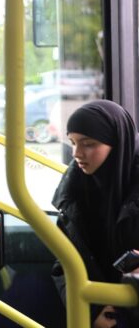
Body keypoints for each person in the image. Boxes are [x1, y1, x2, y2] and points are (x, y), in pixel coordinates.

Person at [51, 100, 139, 328]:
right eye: (72, 143)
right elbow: (63, 262)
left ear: (116, 143)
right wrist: (92, 310)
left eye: (88, 144)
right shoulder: (73, 194)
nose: (77, 153)